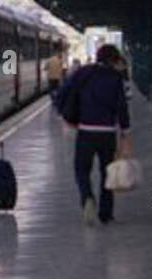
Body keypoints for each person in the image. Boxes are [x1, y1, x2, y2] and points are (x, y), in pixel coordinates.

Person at [55, 44, 130, 225]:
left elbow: (63, 91)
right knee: (107, 173)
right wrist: (125, 132)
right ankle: (106, 213)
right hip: (107, 132)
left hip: (86, 130)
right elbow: (122, 106)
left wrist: (64, 113)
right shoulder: (115, 78)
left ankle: (87, 197)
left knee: (81, 170)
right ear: (113, 59)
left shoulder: (84, 73)